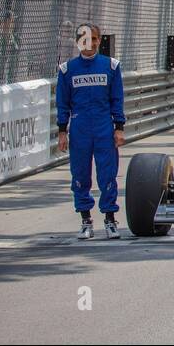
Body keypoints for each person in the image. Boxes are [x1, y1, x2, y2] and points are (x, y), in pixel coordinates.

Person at [56, 23, 125, 240]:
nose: (90, 44)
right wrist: (62, 131)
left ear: (99, 40)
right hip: (80, 130)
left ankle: (110, 220)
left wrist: (119, 128)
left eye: (94, 39)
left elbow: (117, 99)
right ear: (78, 42)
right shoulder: (67, 70)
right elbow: (62, 103)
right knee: (80, 176)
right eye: (85, 39)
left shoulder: (111, 66)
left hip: (104, 129)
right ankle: (85, 221)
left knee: (107, 175)